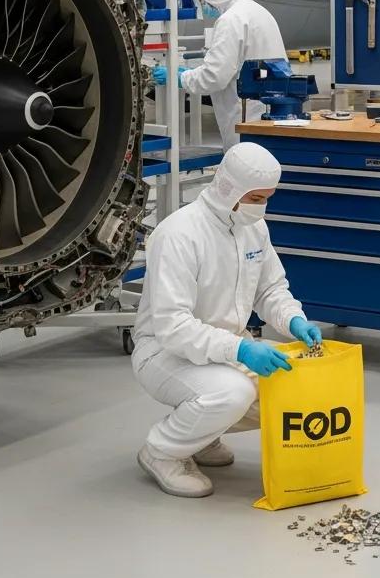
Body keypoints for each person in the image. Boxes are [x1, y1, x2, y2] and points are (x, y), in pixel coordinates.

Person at [132, 143, 322, 498]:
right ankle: (162, 452)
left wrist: (294, 319)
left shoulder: (253, 228)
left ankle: (201, 436)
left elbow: (270, 289)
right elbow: (173, 327)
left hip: (225, 346)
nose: (261, 207)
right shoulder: (179, 234)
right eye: (256, 198)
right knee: (235, 392)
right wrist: (241, 350)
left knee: (296, 385)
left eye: (267, 199)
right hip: (164, 353)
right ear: (228, 189)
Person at [152, 0, 289, 150]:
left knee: (243, 161)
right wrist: (192, 72)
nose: (202, 6)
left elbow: (214, 77)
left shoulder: (230, 20)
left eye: (201, 0)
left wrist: (180, 77)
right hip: (272, 109)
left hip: (246, 114)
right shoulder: (257, 10)